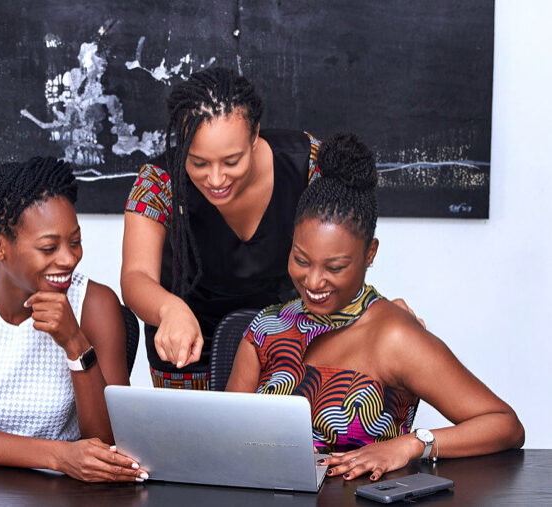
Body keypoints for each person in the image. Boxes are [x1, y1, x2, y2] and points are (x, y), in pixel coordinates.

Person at [226, 133, 524, 481]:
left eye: (335, 267)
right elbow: (227, 437)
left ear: (370, 254)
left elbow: (505, 426)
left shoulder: (394, 336)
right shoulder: (266, 329)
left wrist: (412, 444)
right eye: (301, 259)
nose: (313, 280)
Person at [122, 67, 419, 389]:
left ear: (254, 137)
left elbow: (343, 247)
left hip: (286, 348)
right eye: (198, 163)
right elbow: (135, 277)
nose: (217, 179)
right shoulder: (158, 181)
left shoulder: (308, 164)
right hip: (186, 354)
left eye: (231, 161)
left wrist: (376, 312)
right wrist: (168, 309)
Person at [0, 157, 147, 483]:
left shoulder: (95, 303)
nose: (68, 258)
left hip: (61, 494)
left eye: (75, 242)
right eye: (48, 247)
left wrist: (75, 344)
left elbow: (109, 443)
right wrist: (59, 456)